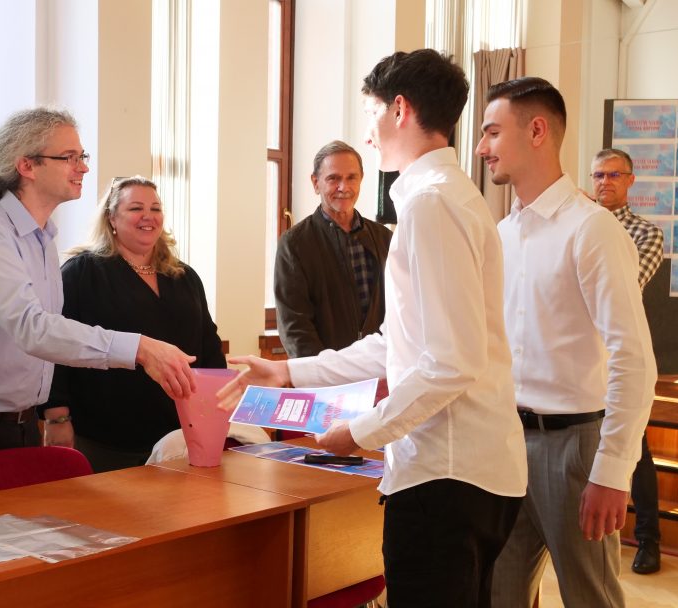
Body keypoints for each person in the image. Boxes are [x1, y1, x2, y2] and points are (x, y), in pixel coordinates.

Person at [218, 49, 527, 607]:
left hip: (446, 473)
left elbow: (451, 363)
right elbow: (398, 344)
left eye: (372, 113)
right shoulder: (449, 196)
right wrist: (289, 371)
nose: (368, 133)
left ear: (399, 109)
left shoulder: (432, 204)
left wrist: (362, 433)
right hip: (464, 470)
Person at [0, 107, 197, 501]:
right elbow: (33, 329)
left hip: (17, 424)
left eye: (82, 156)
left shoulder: (41, 238)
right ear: (27, 166)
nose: (83, 167)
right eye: (69, 157)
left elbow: (5, 328)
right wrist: (139, 347)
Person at [476, 78, 657, 607]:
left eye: (492, 132)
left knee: (590, 598)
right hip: (505, 443)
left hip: (574, 449)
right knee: (498, 595)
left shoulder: (592, 230)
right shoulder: (503, 233)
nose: (483, 147)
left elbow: (634, 358)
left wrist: (612, 471)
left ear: (536, 131)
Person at [46, 176, 266, 472]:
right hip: (107, 438)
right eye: (136, 208)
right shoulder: (81, 273)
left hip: (180, 436)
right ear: (112, 218)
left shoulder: (184, 277)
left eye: (155, 208)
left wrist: (220, 409)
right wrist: (57, 417)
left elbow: (209, 347)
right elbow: (55, 347)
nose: (148, 216)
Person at [591, 147, 665, 574]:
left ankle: (649, 539)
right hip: (580, 360)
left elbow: (625, 288)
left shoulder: (645, 232)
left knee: (636, 449)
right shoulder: (580, 223)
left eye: (614, 175)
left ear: (630, 180)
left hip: (618, 356)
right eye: (599, 175)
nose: (605, 182)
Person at [274, 140, 392, 358]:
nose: (343, 187)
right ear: (315, 183)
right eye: (333, 178)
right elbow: (295, 326)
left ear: (361, 179)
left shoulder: (385, 238)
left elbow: (398, 311)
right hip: (324, 373)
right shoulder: (294, 244)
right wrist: (322, 373)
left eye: (351, 178)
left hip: (379, 368)